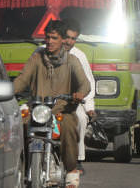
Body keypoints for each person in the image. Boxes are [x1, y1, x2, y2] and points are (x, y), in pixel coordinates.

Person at [14, 20, 90, 188]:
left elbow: (85, 83)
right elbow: (22, 79)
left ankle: (71, 170)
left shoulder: (72, 61)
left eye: (54, 38)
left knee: (70, 127)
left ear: (63, 39)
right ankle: (21, 168)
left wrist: (79, 94)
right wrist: (9, 90)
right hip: (38, 110)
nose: (49, 41)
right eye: (47, 37)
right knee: (20, 124)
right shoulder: (36, 58)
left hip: (62, 110)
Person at [60, 19, 96, 174]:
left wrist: (88, 107)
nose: (69, 42)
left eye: (73, 38)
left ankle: (77, 160)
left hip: (71, 101)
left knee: (80, 118)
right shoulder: (41, 51)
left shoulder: (78, 56)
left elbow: (88, 83)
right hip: (45, 101)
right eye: (66, 37)